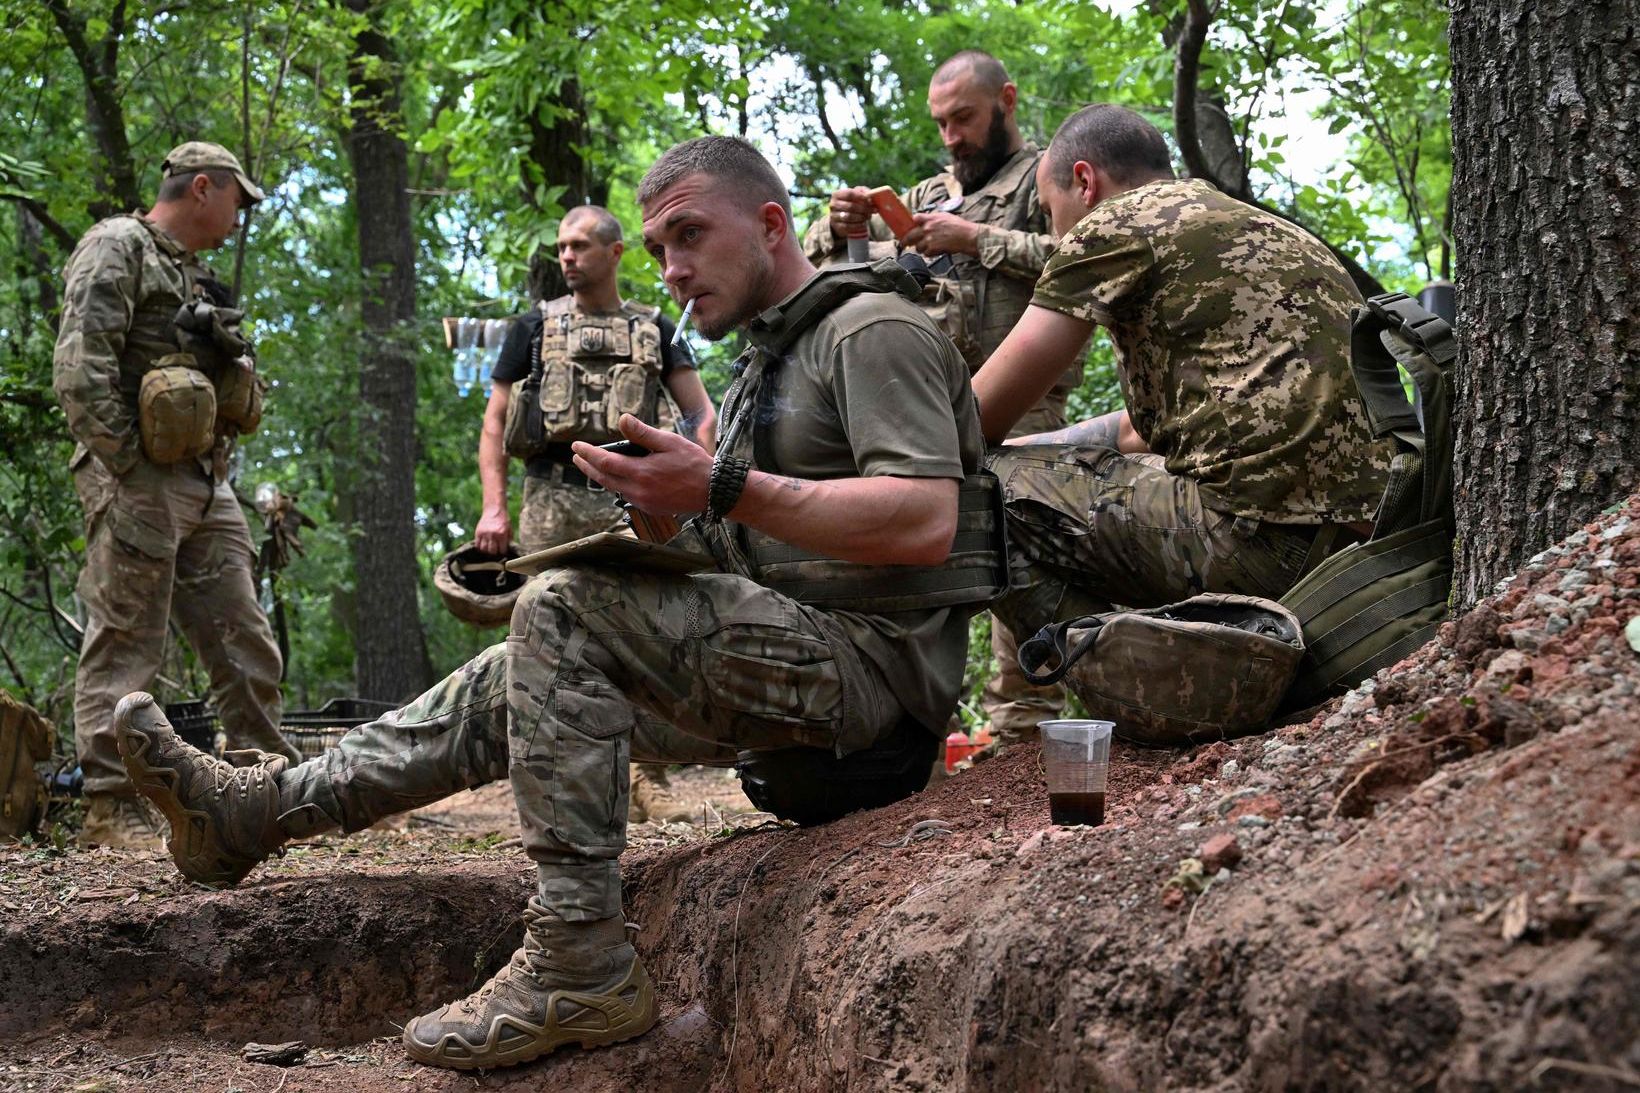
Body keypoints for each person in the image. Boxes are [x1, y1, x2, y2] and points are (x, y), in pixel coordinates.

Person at [114, 135, 991, 1071]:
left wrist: (719, 490)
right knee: (525, 658)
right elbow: (767, 532)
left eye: (690, 235)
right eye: (657, 250)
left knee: (566, 609)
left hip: (874, 693)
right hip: (803, 661)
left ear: (772, 224)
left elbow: (923, 521)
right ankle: (256, 814)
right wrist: (667, 527)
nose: (675, 267)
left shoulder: (871, 332)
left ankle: (580, 959)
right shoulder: (774, 355)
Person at [972, 103, 1392, 650]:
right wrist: (1030, 450)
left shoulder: (1112, 225)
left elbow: (974, 421)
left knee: (973, 493)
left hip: (1263, 545)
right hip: (1368, 545)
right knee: (1020, 470)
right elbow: (1135, 433)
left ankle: (1141, 690)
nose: (1055, 234)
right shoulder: (1250, 225)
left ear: (1084, 182)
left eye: (1050, 213)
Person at [806, 48, 1079, 744]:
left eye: (964, 117)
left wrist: (977, 238)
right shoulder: (930, 196)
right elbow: (835, 277)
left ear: (1006, 101)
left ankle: (1024, 733)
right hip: (925, 417)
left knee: (1019, 555)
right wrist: (839, 228)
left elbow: (1086, 261)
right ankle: (917, 737)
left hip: (1024, 408)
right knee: (920, 567)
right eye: (941, 123)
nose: (952, 136)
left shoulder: (1045, 180)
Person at [54, 141, 300, 851]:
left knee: (243, 632)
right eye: (236, 200)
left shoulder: (193, 275)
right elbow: (79, 371)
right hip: (142, 479)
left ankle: (269, 786)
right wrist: (127, 464)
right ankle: (111, 804)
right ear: (202, 188)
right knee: (127, 638)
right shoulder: (117, 248)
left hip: (206, 478)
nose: (239, 216)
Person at [474, 204, 717, 824]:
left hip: (633, 495)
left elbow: (701, 413)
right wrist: (494, 508)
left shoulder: (658, 328)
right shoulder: (531, 328)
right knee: (543, 636)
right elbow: (496, 422)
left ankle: (648, 777)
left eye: (580, 245)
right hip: (550, 498)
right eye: (561, 246)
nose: (566, 256)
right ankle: (557, 782)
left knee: (648, 629)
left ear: (614, 254)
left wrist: (702, 481)